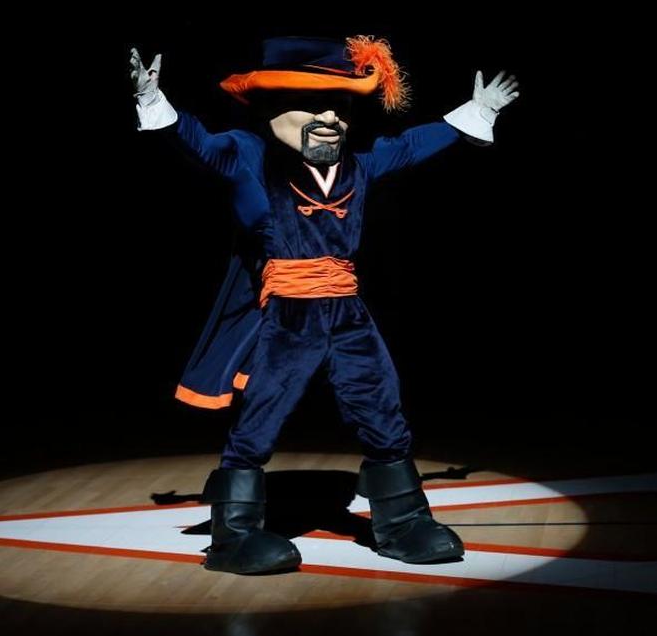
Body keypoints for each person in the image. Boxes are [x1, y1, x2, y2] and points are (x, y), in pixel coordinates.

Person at [130, 36, 519, 574]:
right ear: (270, 107)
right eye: (313, 104)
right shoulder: (249, 154)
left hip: (348, 311)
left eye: (340, 105)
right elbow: (198, 143)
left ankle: (403, 522)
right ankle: (235, 533)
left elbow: (411, 144)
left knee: (382, 407)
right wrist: (154, 100)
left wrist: (476, 112)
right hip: (287, 314)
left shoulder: (360, 163)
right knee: (261, 419)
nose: (331, 117)